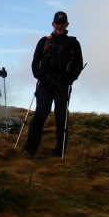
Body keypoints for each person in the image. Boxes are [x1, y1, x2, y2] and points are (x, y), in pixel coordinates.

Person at [23, 11, 83, 157]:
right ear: (53, 24)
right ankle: (30, 149)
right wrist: (38, 75)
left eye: (62, 23)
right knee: (41, 114)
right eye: (57, 23)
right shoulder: (44, 41)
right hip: (45, 83)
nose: (60, 25)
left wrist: (70, 79)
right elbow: (35, 62)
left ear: (67, 25)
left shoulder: (73, 43)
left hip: (63, 84)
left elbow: (78, 64)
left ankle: (60, 150)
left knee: (61, 116)